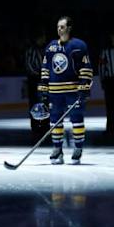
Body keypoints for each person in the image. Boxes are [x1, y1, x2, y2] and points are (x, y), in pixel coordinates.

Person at [38, 16, 92, 165]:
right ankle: (57, 149)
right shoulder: (51, 47)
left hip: (73, 90)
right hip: (55, 92)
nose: (59, 29)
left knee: (77, 119)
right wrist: (44, 89)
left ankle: (78, 148)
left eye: (62, 26)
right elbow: (45, 69)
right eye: (58, 27)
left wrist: (83, 87)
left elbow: (86, 68)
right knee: (55, 121)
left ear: (69, 28)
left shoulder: (79, 45)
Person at [24, 32, 50, 139]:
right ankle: (36, 127)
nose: (44, 39)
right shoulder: (31, 51)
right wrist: (40, 75)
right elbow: (29, 66)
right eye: (42, 37)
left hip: (44, 81)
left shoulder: (46, 50)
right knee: (35, 104)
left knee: (45, 103)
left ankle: (45, 126)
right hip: (35, 81)